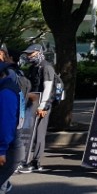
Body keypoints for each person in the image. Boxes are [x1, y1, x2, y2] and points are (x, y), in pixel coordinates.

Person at [18, 44, 54, 174]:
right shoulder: (34, 67)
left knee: (39, 133)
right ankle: (24, 160)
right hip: (32, 104)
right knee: (29, 132)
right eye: (27, 54)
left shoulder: (46, 67)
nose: (29, 56)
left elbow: (48, 88)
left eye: (31, 53)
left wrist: (43, 106)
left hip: (42, 105)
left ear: (39, 52)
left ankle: (35, 162)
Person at [0, 61, 24, 193]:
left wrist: (1, 150)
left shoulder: (5, 93)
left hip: (8, 148)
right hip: (12, 145)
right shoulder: (11, 87)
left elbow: (6, 124)